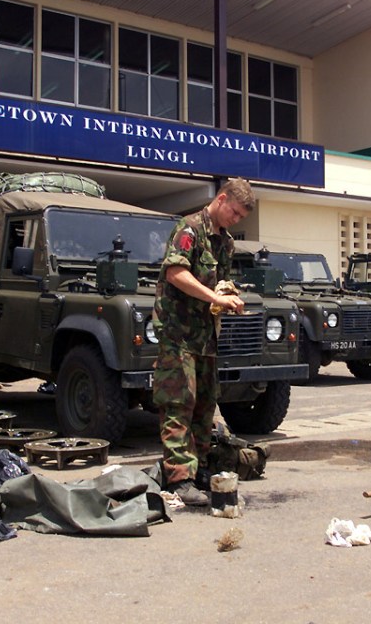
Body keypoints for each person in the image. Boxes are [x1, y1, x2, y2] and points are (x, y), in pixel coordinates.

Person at [152, 178, 256, 506]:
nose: (235, 220)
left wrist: (227, 293)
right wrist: (214, 296)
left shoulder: (224, 243)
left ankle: (196, 473)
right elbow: (175, 273)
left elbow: (218, 280)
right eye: (235, 213)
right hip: (179, 335)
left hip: (206, 336)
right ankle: (178, 478)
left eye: (241, 217)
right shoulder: (189, 229)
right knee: (178, 404)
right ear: (221, 199)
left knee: (204, 405)